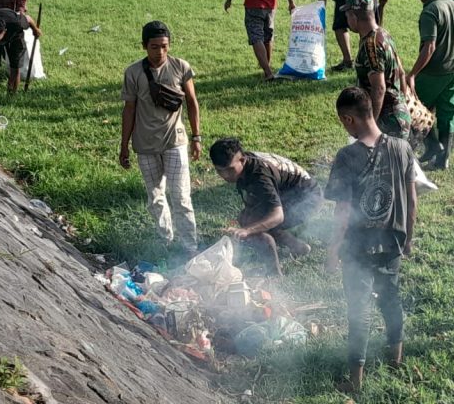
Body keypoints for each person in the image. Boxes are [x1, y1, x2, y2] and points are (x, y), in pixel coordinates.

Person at [325, 87, 417, 393]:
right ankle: (396, 360)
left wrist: (333, 248)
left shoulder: (347, 156)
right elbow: (412, 200)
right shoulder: (402, 147)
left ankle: (355, 381)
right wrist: (408, 238)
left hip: (358, 247)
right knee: (391, 299)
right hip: (392, 242)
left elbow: (343, 211)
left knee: (359, 309)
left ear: (348, 119)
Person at [120, 21, 201, 257]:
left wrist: (196, 137)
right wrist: (124, 146)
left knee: (181, 197)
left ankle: (190, 246)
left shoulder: (180, 67)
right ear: (144, 46)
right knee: (155, 197)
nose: (160, 52)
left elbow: (192, 102)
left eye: (164, 46)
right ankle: (165, 240)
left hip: (175, 141)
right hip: (145, 144)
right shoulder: (133, 73)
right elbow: (129, 110)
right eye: (154, 47)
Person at [210, 138, 321, 277]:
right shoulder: (244, 165)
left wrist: (247, 230)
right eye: (220, 171)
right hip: (287, 194)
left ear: (242, 160)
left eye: (230, 170)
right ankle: (298, 247)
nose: (225, 175)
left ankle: (274, 274)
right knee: (246, 218)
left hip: (307, 199)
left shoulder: (260, 177)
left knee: (261, 225)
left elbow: (277, 216)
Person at [404, 0, 454, 170]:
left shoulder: (430, 11)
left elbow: (429, 46)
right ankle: (442, 159)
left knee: (414, 109)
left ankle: (431, 146)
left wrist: (412, 74)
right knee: (448, 115)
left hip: (433, 72)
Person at [341, 0, 410, 140]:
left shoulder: (370, 46)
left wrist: (369, 129)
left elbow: (379, 88)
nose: (347, 20)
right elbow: (402, 73)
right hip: (398, 116)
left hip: (388, 122)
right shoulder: (383, 34)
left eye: (347, 15)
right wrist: (402, 106)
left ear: (354, 16)